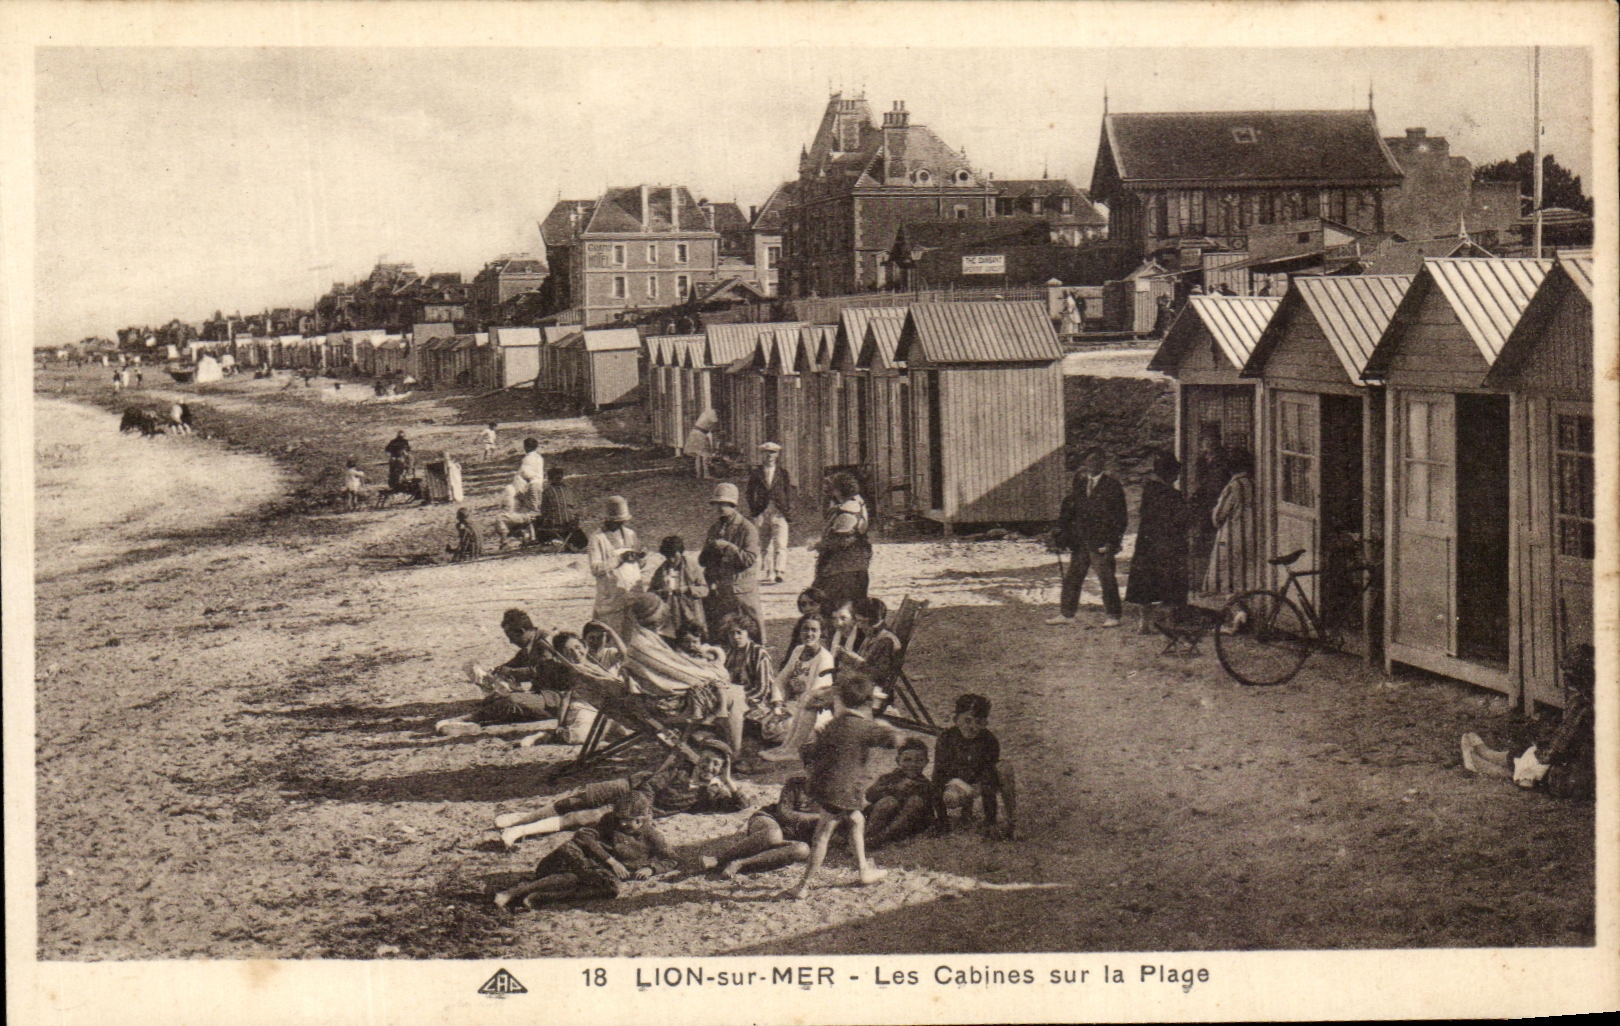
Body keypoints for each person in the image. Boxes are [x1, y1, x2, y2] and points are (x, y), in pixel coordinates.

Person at [496, 735, 745, 848]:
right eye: (707, 760)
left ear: (721, 769)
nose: (709, 767)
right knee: (580, 799)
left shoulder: (709, 793)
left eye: (716, 765)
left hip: (639, 806)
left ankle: (519, 831)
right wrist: (641, 804)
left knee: (585, 817)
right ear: (699, 758)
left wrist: (728, 780)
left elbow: (740, 805)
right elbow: (650, 786)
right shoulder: (679, 770)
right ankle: (521, 818)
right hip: (633, 786)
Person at [787, 673, 897, 899]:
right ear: (868, 703)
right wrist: (888, 727)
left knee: (857, 820)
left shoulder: (834, 724)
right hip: (843, 790)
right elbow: (891, 741)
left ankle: (864, 870)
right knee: (822, 835)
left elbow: (814, 750)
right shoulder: (864, 726)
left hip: (827, 786)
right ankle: (803, 885)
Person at [493, 791, 676, 910]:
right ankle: (514, 892)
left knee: (609, 889)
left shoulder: (652, 836)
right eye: (620, 819)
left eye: (628, 821)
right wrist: (611, 860)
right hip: (579, 857)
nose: (622, 824)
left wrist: (651, 869)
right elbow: (583, 836)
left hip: (600, 872)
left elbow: (670, 859)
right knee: (573, 869)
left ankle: (541, 896)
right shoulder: (609, 821)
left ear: (641, 819)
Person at [622, 593, 750, 761]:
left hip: (664, 696)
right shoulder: (643, 644)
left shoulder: (646, 637)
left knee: (731, 690)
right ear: (654, 616)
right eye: (661, 612)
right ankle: (735, 755)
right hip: (668, 704)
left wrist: (709, 668)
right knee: (735, 695)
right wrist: (714, 674)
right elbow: (678, 672)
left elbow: (677, 665)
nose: (665, 615)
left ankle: (723, 744)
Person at [439, 609, 597, 742]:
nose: (510, 642)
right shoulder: (532, 643)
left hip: (555, 698)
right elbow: (517, 662)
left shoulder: (545, 643)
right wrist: (500, 671)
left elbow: (539, 671)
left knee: (511, 701)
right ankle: (473, 721)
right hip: (544, 695)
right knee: (502, 699)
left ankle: (469, 720)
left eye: (511, 637)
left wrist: (510, 673)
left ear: (521, 631)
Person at [1047, 446, 1126, 628]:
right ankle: (1067, 614)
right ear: (1085, 463)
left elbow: (1120, 518)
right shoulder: (1080, 484)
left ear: (1103, 462)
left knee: (1107, 579)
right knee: (1073, 578)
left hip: (1101, 542)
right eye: (1089, 460)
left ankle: (1113, 615)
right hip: (1080, 541)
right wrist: (1063, 534)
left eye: (1097, 460)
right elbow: (1071, 511)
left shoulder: (1112, 486)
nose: (1093, 464)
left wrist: (1113, 542)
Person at [699, 774, 821, 879]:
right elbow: (784, 813)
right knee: (773, 835)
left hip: (788, 838)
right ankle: (718, 859)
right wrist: (819, 817)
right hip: (769, 820)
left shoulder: (831, 795)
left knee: (802, 850)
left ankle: (740, 864)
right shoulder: (796, 784)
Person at [931, 693, 1017, 839]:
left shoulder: (989, 740)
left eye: (979, 722)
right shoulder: (946, 738)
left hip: (979, 782)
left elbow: (988, 778)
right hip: (956, 782)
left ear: (985, 723)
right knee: (951, 797)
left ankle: (1012, 820)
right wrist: (942, 819)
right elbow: (938, 776)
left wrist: (990, 820)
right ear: (956, 720)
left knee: (1003, 769)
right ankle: (962, 815)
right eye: (967, 721)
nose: (973, 727)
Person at [1125, 451, 1190, 632]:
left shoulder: (1149, 490)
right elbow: (1179, 520)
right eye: (1175, 472)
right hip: (1167, 544)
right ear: (1169, 473)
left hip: (1148, 543)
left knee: (1146, 582)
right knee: (1169, 582)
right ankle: (1168, 623)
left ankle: (1144, 623)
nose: (1177, 476)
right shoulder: (1172, 495)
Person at [759, 613, 837, 762]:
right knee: (768, 726)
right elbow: (780, 680)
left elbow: (814, 694)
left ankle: (792, 749)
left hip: (814, 711)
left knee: (781, 727)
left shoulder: (825, 658)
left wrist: (787, 712)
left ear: (821, 633)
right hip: (794, 705)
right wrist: (778, 706)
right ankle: (784, 747)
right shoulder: (798, 650)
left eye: (814, 630)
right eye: (805, 629)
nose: (809, 634)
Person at [699, 482, 764, 634]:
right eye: (717, 504)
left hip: (740, 590)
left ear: (733, 505)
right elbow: (703, 561)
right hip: (720, 589)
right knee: (721, 630)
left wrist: (728, 547)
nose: (720, 508)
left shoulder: (747, 528)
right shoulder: (715, 528)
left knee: (751, 629)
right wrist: (710, 550)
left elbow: (748, 559)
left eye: (725, 504)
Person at [810, 471, 872, 614]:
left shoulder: (845, 511)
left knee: (832, 607)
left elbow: (840, 542)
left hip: (841, 568)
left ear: (838, 491)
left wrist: (818, 545)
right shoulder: (859, 502)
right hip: (859, 564)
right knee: (855, 607)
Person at [720, 612, 785, 741]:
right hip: (736, 696)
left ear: (748, 632)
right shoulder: (730, 653)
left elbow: (763, 688)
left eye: (739, 633)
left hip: (757, 699)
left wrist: (740, 698)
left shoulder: (759, 653)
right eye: (731, 633)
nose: (735, 637)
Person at [1201, 448, 1257, 597]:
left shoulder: (1233, 486)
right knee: (1246, 578)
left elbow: (1218, 515)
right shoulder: (1254, 484)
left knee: (1229, 578)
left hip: (1232, 537)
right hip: (1252, 535)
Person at [587, 496, 644, 634]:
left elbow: (639, 565)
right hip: (611, 597)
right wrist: (619, 559)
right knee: (612, 633)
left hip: (632, 592)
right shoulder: (597, 538)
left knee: (635, 632)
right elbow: (596, 568)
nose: (619, 525)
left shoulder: (630, 534)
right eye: (616, 522)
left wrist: (640, 557)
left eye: (622, 522)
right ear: (608, 520)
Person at [864, 738, 934, 849]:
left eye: (919, 760)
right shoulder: (889, 778)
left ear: (926, 762)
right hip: (884, 821)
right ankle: (866, 837)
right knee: (888, 801)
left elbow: (927, 812)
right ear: (898, 761)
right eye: (907, 760)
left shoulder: (926, 784)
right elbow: (869, 795)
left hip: (907, 826)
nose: (913, 764)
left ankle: (879, 839)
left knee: (915, 801)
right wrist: (893, 788)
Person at [746, 441, 793, 584]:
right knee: (764, 544)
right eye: (766, 453)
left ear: (777, 455)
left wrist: (787, 509)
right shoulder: (756, 473)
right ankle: (769, 572)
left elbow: (788, 492)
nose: (769, 455)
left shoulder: (783, 473)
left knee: (781, 543)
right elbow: (749, 493)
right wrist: (754, 510)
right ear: (762, 455)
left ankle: (779, 571)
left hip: (779, 512)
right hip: (762, 512)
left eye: (773, 453)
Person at [1188, 429, 1231, 582]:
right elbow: (1199, 482)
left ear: (1218, 442)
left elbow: (1221, 483)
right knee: (1201, 538)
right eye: (1206, 441)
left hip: (1218, 501)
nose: (1209, 444)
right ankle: (1200, 576)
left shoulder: (1224, 460)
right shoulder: (1201, 461)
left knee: (1216, 539)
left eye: (1212, 440)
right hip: (1204, 503)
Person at [649, 535, 709, 638]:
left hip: (690, 612)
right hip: (671, 614)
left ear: (680, 553)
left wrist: (688, 589)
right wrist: (661, 592)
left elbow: (704, 589)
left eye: (674, 556)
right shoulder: (661, 571)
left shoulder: (692, 566)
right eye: (668, 557)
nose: (671, 560)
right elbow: (651, 591)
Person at [535, 466, 581, 542]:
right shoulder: (568, 490)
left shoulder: (547, 491)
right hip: (571, 523)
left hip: (556, 525)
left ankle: (543, 541)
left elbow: (544, 511)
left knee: (537, 521)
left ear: (549, 479)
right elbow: (574, 506)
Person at [493, 478, 537, 548]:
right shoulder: (520, 491)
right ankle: (528, 537)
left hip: (521, 516)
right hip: (521, 517)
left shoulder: (512, 490)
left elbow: (503, 506)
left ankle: (504, 542)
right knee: (504, 519)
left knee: (500, 518)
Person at [684, 409, 719, 479]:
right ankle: (706, 474)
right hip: (700, 434)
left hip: (695, 433)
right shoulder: (712, 414)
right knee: (706, 454)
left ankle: (699, 474)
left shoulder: (706, 412)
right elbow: (714, 428)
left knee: (699, 455)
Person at [518, 436, 546, 509]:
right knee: (539, 503)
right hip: (540, 482)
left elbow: (525, 472)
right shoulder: (539, 457)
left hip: (532, 483)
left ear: (527, 447)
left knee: (533, 505)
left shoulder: (527, 458)